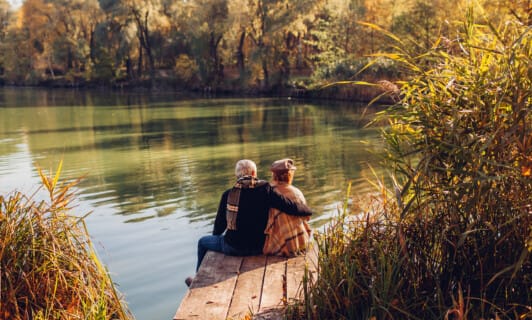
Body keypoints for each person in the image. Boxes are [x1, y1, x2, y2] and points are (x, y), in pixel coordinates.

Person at [194, 159, 312, 273]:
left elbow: (219, 227)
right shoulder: (266, 190)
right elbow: (290, 207)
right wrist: (308, 210)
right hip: (259, 247)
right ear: (254, 173)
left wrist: (218, 239)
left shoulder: (228, 194)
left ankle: (196, 276)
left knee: (202, 242)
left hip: (233, 247)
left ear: (236, 176)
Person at [263, 159, 312, 257]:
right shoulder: (296, 192)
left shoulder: (266, 191)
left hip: (276, 245)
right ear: (290, 175)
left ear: (274, 175)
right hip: (300, 243)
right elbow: (307, 218)